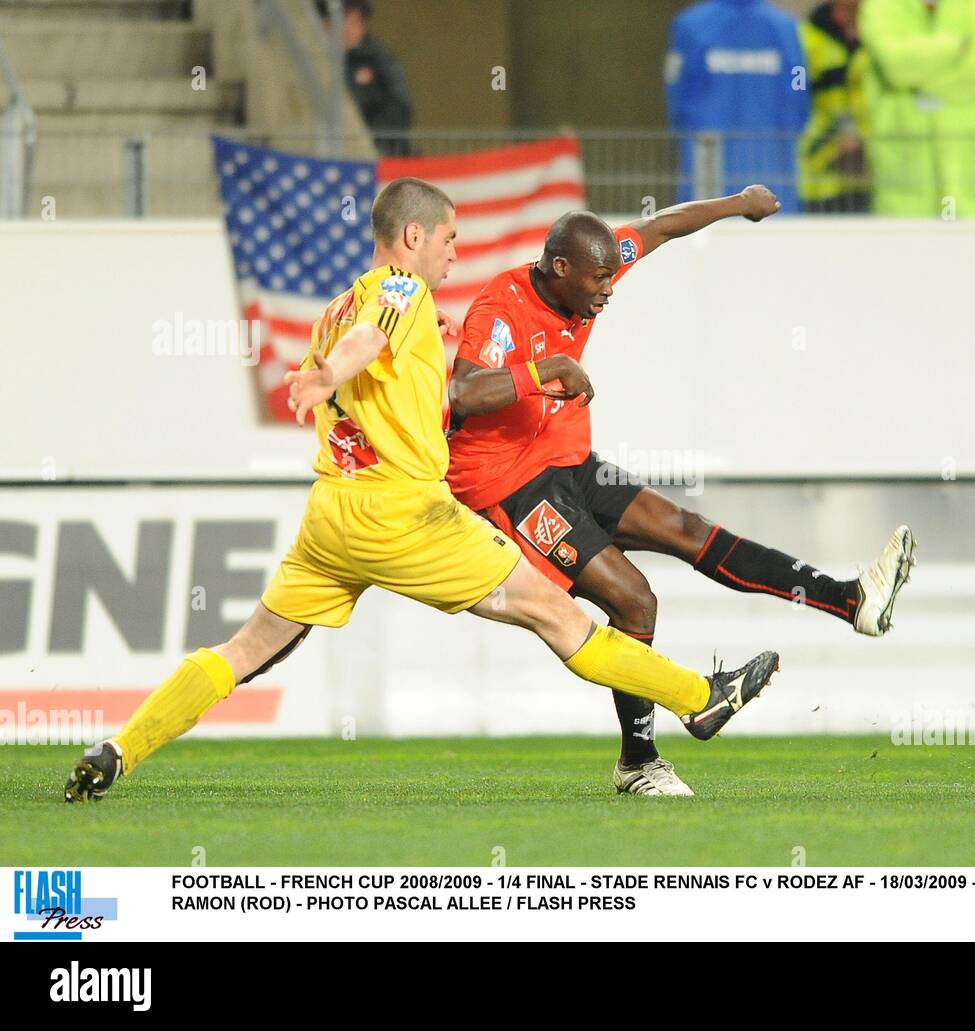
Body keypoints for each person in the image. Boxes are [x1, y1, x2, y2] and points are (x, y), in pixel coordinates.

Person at [64, 179, 780, 803]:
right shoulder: (399, 291)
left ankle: (119, 749)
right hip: (406, 511)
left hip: (332, 517)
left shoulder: (338, 308)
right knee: (558, 614)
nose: (455, 253)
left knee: (244, 648)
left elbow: (384, 369)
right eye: (448, 239)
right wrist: (327, 376)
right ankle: (699, 697)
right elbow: (367, 348)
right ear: (412, 236)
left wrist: (388, 360)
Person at [445, 186, 915, 797]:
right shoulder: (500, 308)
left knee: (689, 532)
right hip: (506, 485)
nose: (609, 289)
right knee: (636, 602)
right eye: (598, 279)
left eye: (613, 274)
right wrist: (545, 373)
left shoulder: (594, 266)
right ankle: (639, 761)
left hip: (569, 462)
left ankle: (850, 601)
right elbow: (463, 392)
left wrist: (738, 203)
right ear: (560, 268)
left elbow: (662, 227)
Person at [859, 0, 975, 217]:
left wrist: (919, 79)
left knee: (972, 250)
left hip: (967, 181)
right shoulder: (880, 7)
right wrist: (956, 46)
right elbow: (896, 65)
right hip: (905, 189)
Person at [665, 0, 809, 211]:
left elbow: (678, 92)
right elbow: (799, 91)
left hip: (709, 166)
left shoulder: (691, 24)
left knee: (706, 226)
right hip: (773, 167)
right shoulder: (784, 26)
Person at [798, 0, 872, 213]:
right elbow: (794, 97)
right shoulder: (807, 39)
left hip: (870, 175)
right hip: (819, 177)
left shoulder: (881, 38)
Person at [317, 0, 413, 156]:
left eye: (355, 21)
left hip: (376, 153)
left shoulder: (380, 60)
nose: (346, 28)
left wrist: (373, 143)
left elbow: (399, 106)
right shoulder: (316, 61)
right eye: (340, 20)